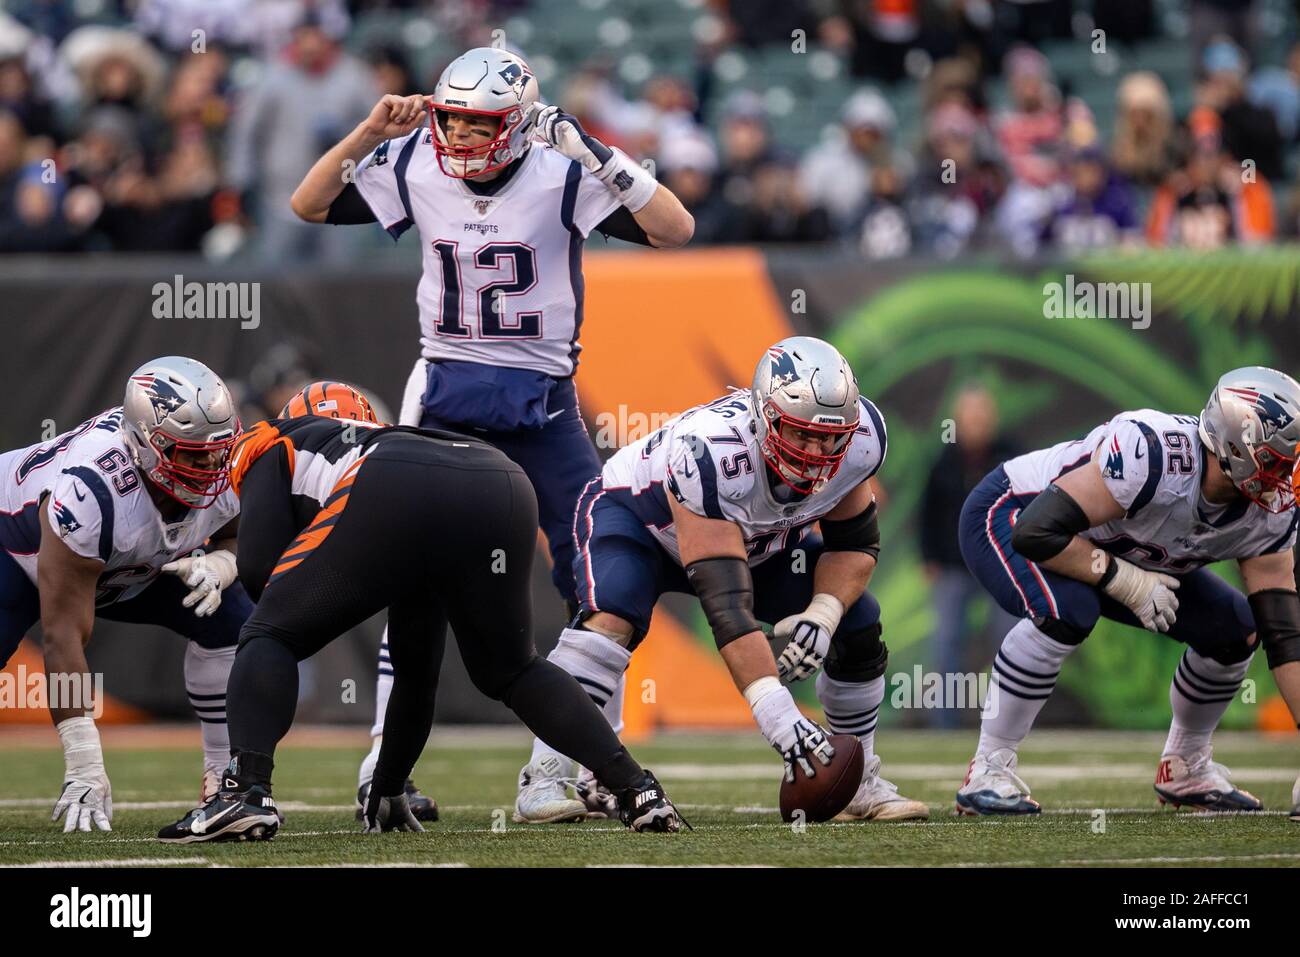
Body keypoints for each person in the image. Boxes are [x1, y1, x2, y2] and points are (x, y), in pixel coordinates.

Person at [288, 46, 694, 821]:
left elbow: (676, 226)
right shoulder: (412, 157)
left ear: (515, 127)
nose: (459, 140)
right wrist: (369, 129)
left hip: (542, 407)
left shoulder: (561, 170)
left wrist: (597, 152)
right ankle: (383, 761)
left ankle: (565, 771)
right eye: (451, 121)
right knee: (413, 586)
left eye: (478, 126)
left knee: (605, 578)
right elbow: (309, 203)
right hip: (443, 397)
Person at [158, 383, 683, 842]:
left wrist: (316, 598)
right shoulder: (385, 441)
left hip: (392, 486)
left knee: (267, 633)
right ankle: (636, 788)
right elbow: (415, 676)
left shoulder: (275, 439)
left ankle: (245, 791)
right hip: (499, 479)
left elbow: (259, 578)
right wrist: (387, 786)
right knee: (511, 668)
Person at [515, 337, 929, 824]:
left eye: (829, 438)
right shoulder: (711, 450)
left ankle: (856, 781)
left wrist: (824, 612)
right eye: (801, 435)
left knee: (858, 621)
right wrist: (780, 718)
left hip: (755, 540)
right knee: (612, 620)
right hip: (638, 521)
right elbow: (728, 611)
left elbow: (855, 545)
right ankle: (544, 774)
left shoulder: (860, 442)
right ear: (765, 417)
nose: (817, 452)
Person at [955, 368, 1300, 815]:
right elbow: (1037, 533)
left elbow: (1285, 635)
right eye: (1278, 461)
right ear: (1236, 445)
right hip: (1012, 513)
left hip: (1123, 550)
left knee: (1237, 630)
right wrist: (1126, 581)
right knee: (1069, 610)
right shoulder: (1154, 455)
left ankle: (1186, 766)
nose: (1287, 476)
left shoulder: (1270, 513)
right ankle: (988, 768)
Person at [0, 356, 249, 831]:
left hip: (129, 565)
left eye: (219, 451)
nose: (212, 467)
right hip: (17, 553)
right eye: (192, 454)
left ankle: (224, 779)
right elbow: (63, 637)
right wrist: (84, 762)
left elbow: (242, 534)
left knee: (233, 618)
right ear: (144, 447)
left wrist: (225, 561)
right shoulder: (92, 490)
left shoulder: (224, 462)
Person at [919, 384, 1021, 728]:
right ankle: (944, 724)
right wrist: (929, 558)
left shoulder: (1012, 456)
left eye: (982, 414)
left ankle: (1009, 720)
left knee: (1012, 643)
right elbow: (927, 513)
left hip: (1000, 565)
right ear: (958, 419)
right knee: (946, 642)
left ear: (992, 418)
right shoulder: (943, 460)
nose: (976, 421)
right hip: (951, 566)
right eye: (970, 414)